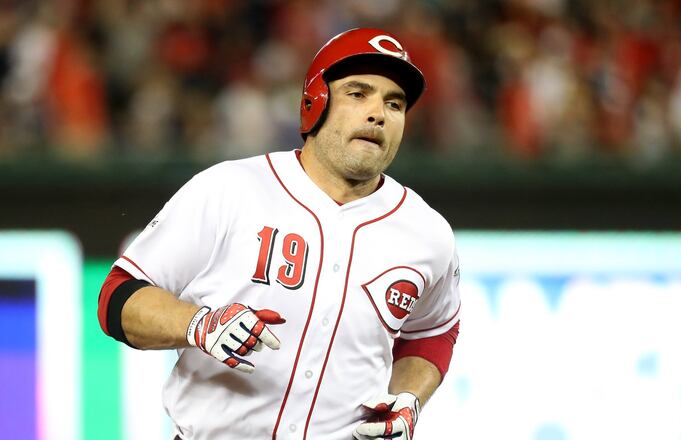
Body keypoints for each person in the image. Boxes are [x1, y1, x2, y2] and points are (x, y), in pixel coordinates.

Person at [97, 28, 461, 440]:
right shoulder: (230, 189)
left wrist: (409, 398)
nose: (378, 112)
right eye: (358, 94)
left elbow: (433, 331)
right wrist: (198, 323)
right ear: (315, 102)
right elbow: (117, 297)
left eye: (394, 103)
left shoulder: (426, 232)